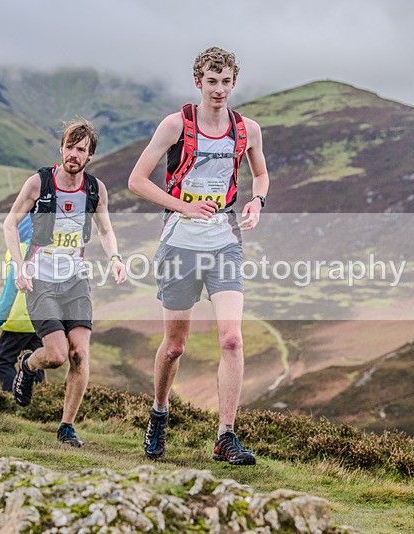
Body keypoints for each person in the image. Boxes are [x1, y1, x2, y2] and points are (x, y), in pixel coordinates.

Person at [128, 47, 270, 465]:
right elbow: (137, 180)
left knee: (231, 338)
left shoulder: (248, 130)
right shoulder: (176, 125)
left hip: (225, 240)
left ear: (234, 82)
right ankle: (159, 413)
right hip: (179, 242)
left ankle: (226, 436)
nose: (220, 89)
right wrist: (183, 206)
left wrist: (257, 201)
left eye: (226, 81)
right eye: (212, 81)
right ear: (198, 82)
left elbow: (260, 173)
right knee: (175, 346)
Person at [4, 118, 127, 447]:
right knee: (56, 356)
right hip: (40, 280)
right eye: (70, 147)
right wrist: (19, 267)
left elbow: (105, 229)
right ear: (61, 148)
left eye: (81, 150)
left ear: (89, 157)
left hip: (76, 282)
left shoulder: (94, 189)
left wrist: (115, 258)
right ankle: (29, 365)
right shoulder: (39, 183)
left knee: (79, 356)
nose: (74, 154)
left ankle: (66, 427)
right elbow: (10, 223)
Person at [0, 216, 46, 391]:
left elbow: (10, 291)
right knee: (36, 361)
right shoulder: (45, 253)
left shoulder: (17, 253)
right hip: (40, 320)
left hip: (18, 321)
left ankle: (13, 397)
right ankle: (40, 398)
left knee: (4, 361)